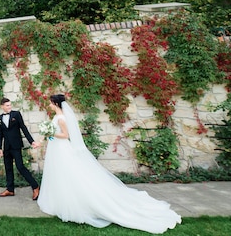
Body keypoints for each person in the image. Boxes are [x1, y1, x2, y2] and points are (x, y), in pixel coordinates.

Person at [37, 94, 182, 234]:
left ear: (55, 103)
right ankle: (61, 200)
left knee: (68, 175)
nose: (49, 105)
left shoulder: (61, 118)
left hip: (62, 149)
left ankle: (74, 203)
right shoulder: (57, 116)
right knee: (60, 175)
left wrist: (51, 133)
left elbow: (66, 135)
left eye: (50, 102)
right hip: (56, 149)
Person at [0, 97, 40, 200]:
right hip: (6, 147)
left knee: (20, 167)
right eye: (7, 105)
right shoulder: (0, 118)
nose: (9, 107)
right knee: (8, 168)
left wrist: (31, 141)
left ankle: (35, 186)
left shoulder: (16, 114)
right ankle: (10, 189)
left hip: (16, 146)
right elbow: (0, 134)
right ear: (2, 106)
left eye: (10, 105)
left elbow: (23, 128)